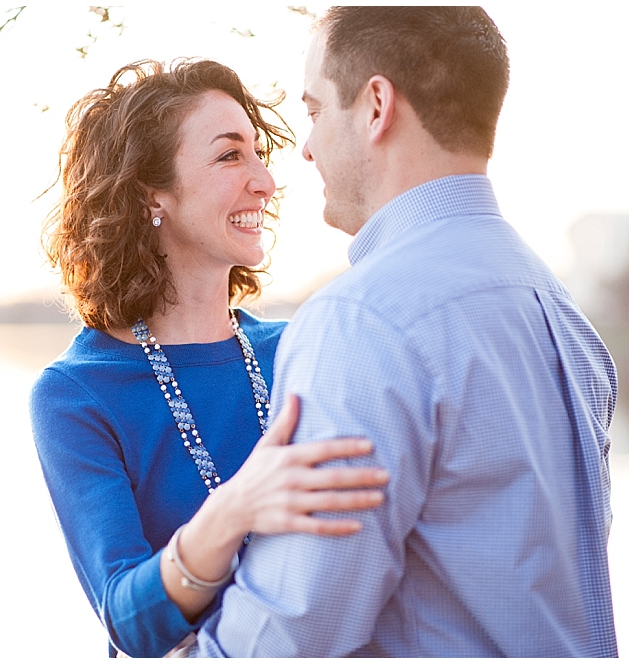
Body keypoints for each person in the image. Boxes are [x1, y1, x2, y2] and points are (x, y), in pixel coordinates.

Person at [191, 6, 619, 658]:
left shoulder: (360, 324)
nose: (303, 148)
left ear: (376, 106)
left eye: (313, 112)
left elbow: (289, 635)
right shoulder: (561, 314)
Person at [28, 59, 389, 658]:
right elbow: (129, 622)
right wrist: (237, 507)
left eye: (257, 152)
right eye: (228, 156)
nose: (265, 182)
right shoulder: (77, 394)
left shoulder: (303, 347)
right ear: (152, 194)